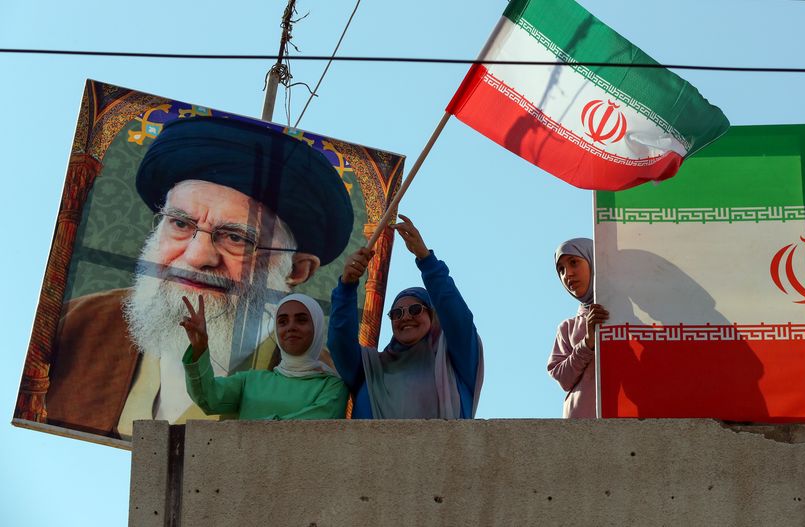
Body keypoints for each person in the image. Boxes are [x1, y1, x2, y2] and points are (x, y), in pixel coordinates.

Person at [45, 116, 354, 438]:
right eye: (180, 224)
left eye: (236, 238)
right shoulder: (75, 323)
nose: (197, 256)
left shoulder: (328, 385)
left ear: (297, 270)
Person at [327, 215, 483, 418]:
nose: (406, 317)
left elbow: (457, 316)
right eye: (397, 313)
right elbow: (339, 340)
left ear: (433, 316)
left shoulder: (455, 362)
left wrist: (427, 261)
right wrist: (347, 286)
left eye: (416, 310)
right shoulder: (370, 369)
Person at [179, 293, 348, 420]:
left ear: (317, 327)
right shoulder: (250, 381)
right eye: (282, 322)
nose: (291, 327)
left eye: (301, 320)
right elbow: (209, 398)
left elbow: (307, 431)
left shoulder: (332, 387)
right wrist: (199, 349)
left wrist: (246, 429)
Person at [547, 238, 609, 418]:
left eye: (574, 263)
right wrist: (588, 342)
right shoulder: (567, 328)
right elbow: (563, 377)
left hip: (627, 424)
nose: (568, 275)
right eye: (561, 270)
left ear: (594, 261)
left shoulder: (627, 315)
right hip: (580, 430)